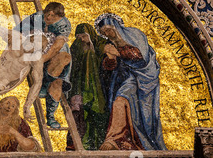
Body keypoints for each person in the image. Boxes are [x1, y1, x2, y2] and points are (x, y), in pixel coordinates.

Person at [94, 13, 167, 150]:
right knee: (119, 101)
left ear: (116, 26)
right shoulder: (110, 44)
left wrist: (118, 53)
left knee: (142, 115)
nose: (108, 34)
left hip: (144, 77)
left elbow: (142, 58)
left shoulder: (134, 34)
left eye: (109, 29)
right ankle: (115, 139)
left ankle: (138, 141)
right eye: (104, 33)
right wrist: (110, 58)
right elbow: (110, 68)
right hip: (127, 79)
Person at [14, 2, 72, 128]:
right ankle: (43, 83)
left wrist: (41, 59)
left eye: (53, 16)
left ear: (59, 17)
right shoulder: (37, 18)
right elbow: (16, 33)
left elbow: (57, 46)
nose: (49, 17)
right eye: (48, 14)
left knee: (57, 81)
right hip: (37, 49)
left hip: (54, 54)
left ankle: (50, 117)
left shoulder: (64, 24)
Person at [67, 23, 109, 150]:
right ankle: (78, 145)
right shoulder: (76, 47)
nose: (81, 39)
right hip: (79, 88)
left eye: (84, 36)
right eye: (78, 37)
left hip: (99, 91)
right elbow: (71, 67)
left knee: (97, 115)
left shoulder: (101, 44)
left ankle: (98, 144)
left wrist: (90, 45)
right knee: (79, 116)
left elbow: (105, 64)